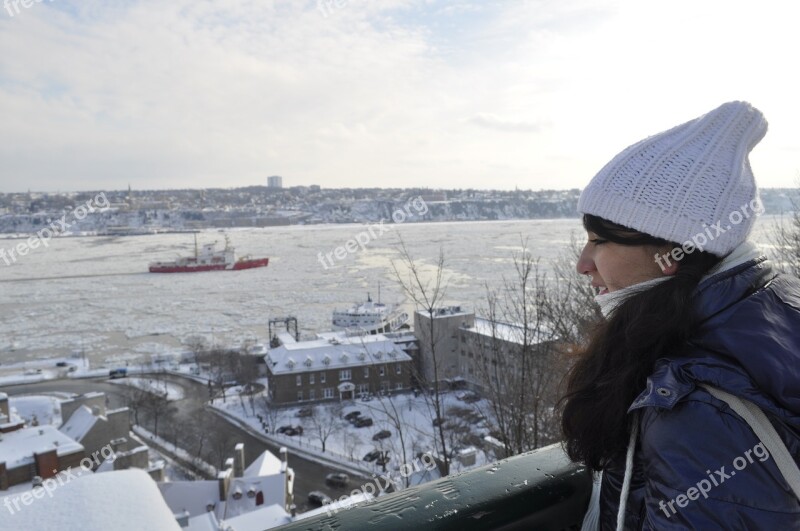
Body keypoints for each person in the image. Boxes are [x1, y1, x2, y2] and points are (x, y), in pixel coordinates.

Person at [560, 101, 800, 530]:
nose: (583, 263)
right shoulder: (771, 312)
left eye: (599, 241)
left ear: (668, 254)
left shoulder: (696, 408)